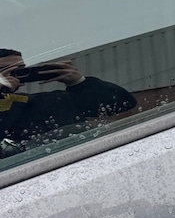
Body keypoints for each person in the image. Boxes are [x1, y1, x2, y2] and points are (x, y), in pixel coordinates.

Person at [0, 48, 136, 158]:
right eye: (4, 70)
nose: (15, 75)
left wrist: (79, 82)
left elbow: (122, 103)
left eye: (20, 70)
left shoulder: (53, 101)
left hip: (83, 161)